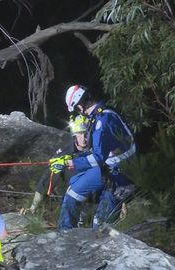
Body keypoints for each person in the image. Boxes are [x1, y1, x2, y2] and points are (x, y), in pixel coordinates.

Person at [50, 84, 136, 230]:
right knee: (72, 194)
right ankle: (64, 236)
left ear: (82, 103)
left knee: (99, 226)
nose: (78, 112)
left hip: (120, 175)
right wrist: (67, 158)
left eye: (77, 108)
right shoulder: (98, 117)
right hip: (107, 169)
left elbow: (97, 158)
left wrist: (70, 162)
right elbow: (96, 152)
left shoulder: (103, 121)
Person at [21, 115, 89, 215]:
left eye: (86, 134)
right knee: (56, 169)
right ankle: (35, 208)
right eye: (79, 134)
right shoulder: (65, 152)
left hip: (95, 192)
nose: (83, 138)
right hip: (73, 194)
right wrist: (33, 208)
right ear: (74, 135)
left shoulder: (98, 148)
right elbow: (47, 177)